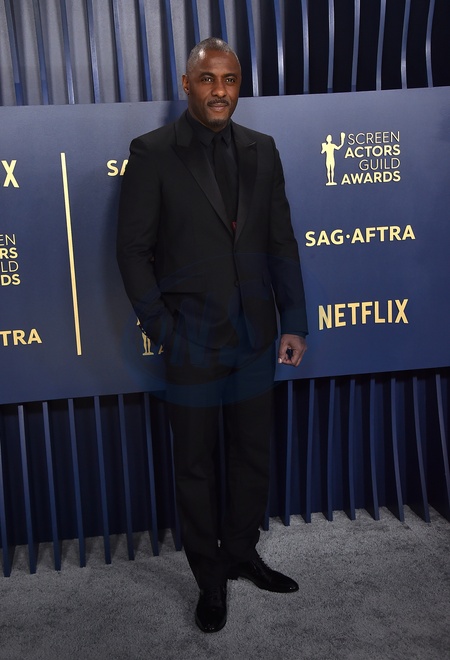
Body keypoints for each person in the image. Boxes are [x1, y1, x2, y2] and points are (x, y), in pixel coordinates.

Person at [117, 37, 308, 633]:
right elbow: (132, 251)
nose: (219, 90)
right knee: (195, 465)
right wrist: (164, 331)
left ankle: (242, 553)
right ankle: (208, 578)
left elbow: (280, 240)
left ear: (238, 84)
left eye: (229, 79)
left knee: (252, 455)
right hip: (191, 342)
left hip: (255, 338)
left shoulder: (263, 149)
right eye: (207, 79)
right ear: (187, 84)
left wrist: (294, 320)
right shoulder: (152, 152)